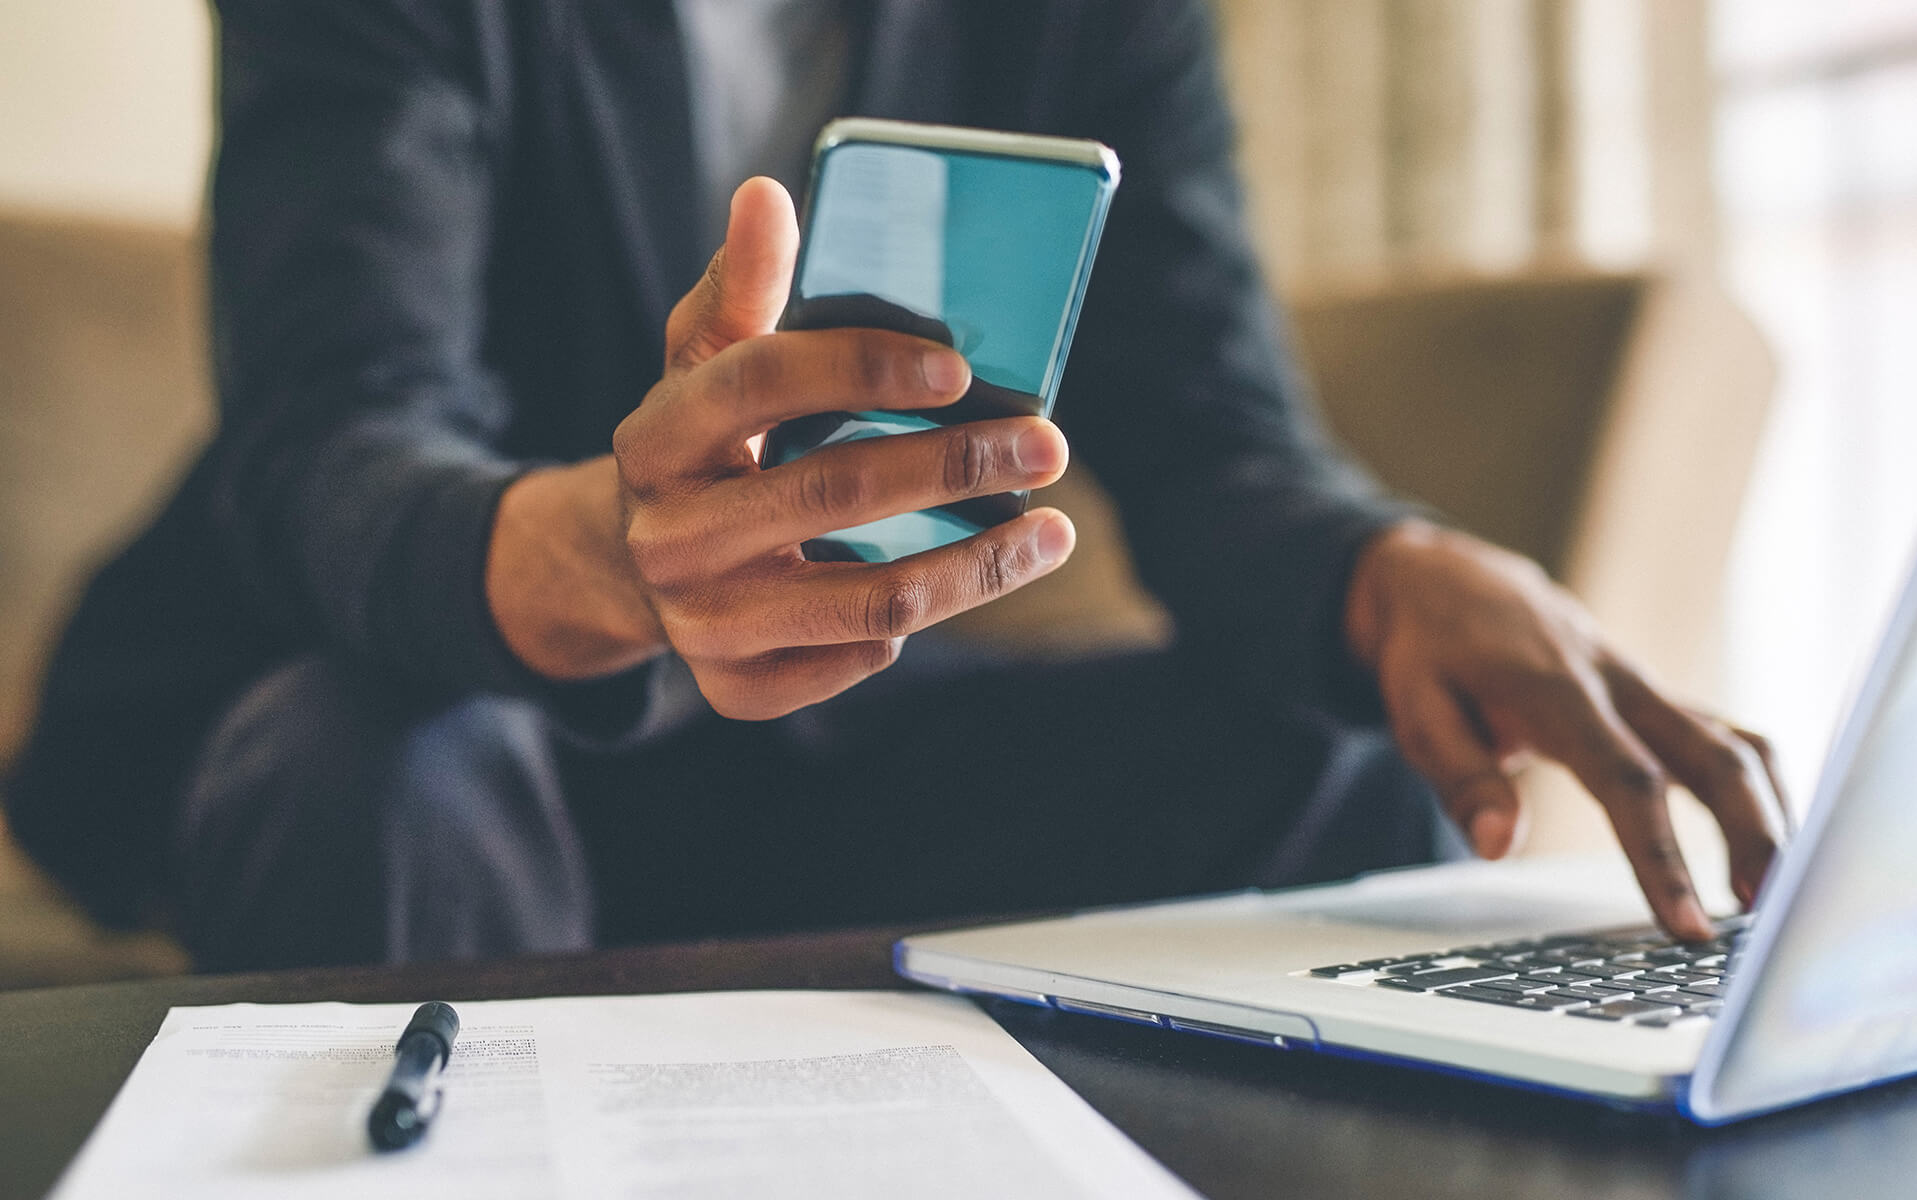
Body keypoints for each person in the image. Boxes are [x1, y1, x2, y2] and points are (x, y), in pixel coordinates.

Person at [6, 0, 1788, 970]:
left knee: (1330, 760)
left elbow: (1214, 434)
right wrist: (609, 558)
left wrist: (1389, 571)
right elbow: (334, 426)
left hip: (817, 738)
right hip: (419, 683)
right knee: (384, 775)